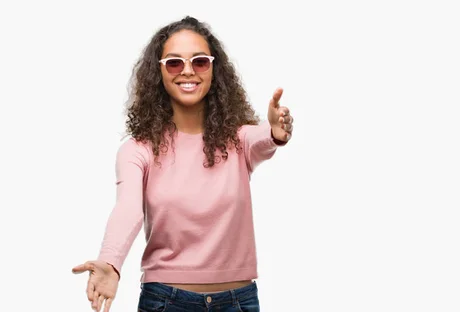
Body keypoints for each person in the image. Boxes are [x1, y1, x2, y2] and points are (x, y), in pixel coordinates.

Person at [71, 16, 294, 312]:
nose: (187, 71)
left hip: (238, 302)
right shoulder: (137, 150)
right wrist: (111, 263)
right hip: (166, 301)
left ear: (214, 69)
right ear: (159, 72)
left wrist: (276, 133)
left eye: (200, 62)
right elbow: (127, 210)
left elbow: (263, 139)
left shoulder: (238, 139)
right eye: (174, 63)